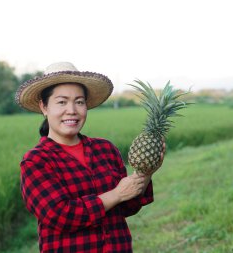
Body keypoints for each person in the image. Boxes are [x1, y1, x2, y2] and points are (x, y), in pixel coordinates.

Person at [15, 62, 162, 253]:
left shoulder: (106, 149)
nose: (72, 110)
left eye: (79, 101)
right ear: (44, 107)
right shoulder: (36, 161)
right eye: (61, 102)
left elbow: (127, 207)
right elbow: (59, 215)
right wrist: (116, 194)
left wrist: (147, 172)